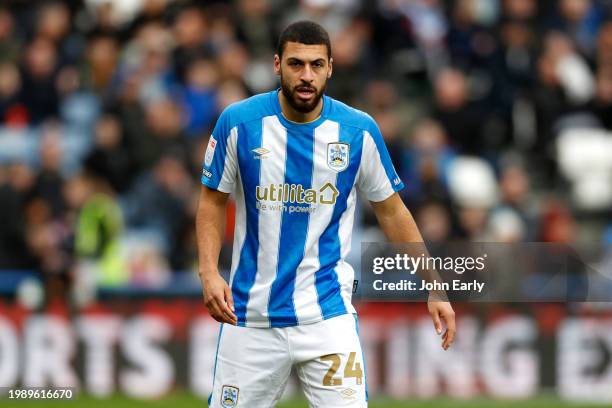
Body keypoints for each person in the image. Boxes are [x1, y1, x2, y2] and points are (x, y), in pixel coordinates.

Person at [196, 21, 456, 408]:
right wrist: (209, 271)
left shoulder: (357, 131)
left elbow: (392, 211)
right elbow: (212, 200)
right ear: (276, 65)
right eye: (296, 64)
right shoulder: (239, 123)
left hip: (327, 316)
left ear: (331, 67)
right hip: (250, 317)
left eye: (316, 65)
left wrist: (433, 284)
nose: (306, 76)